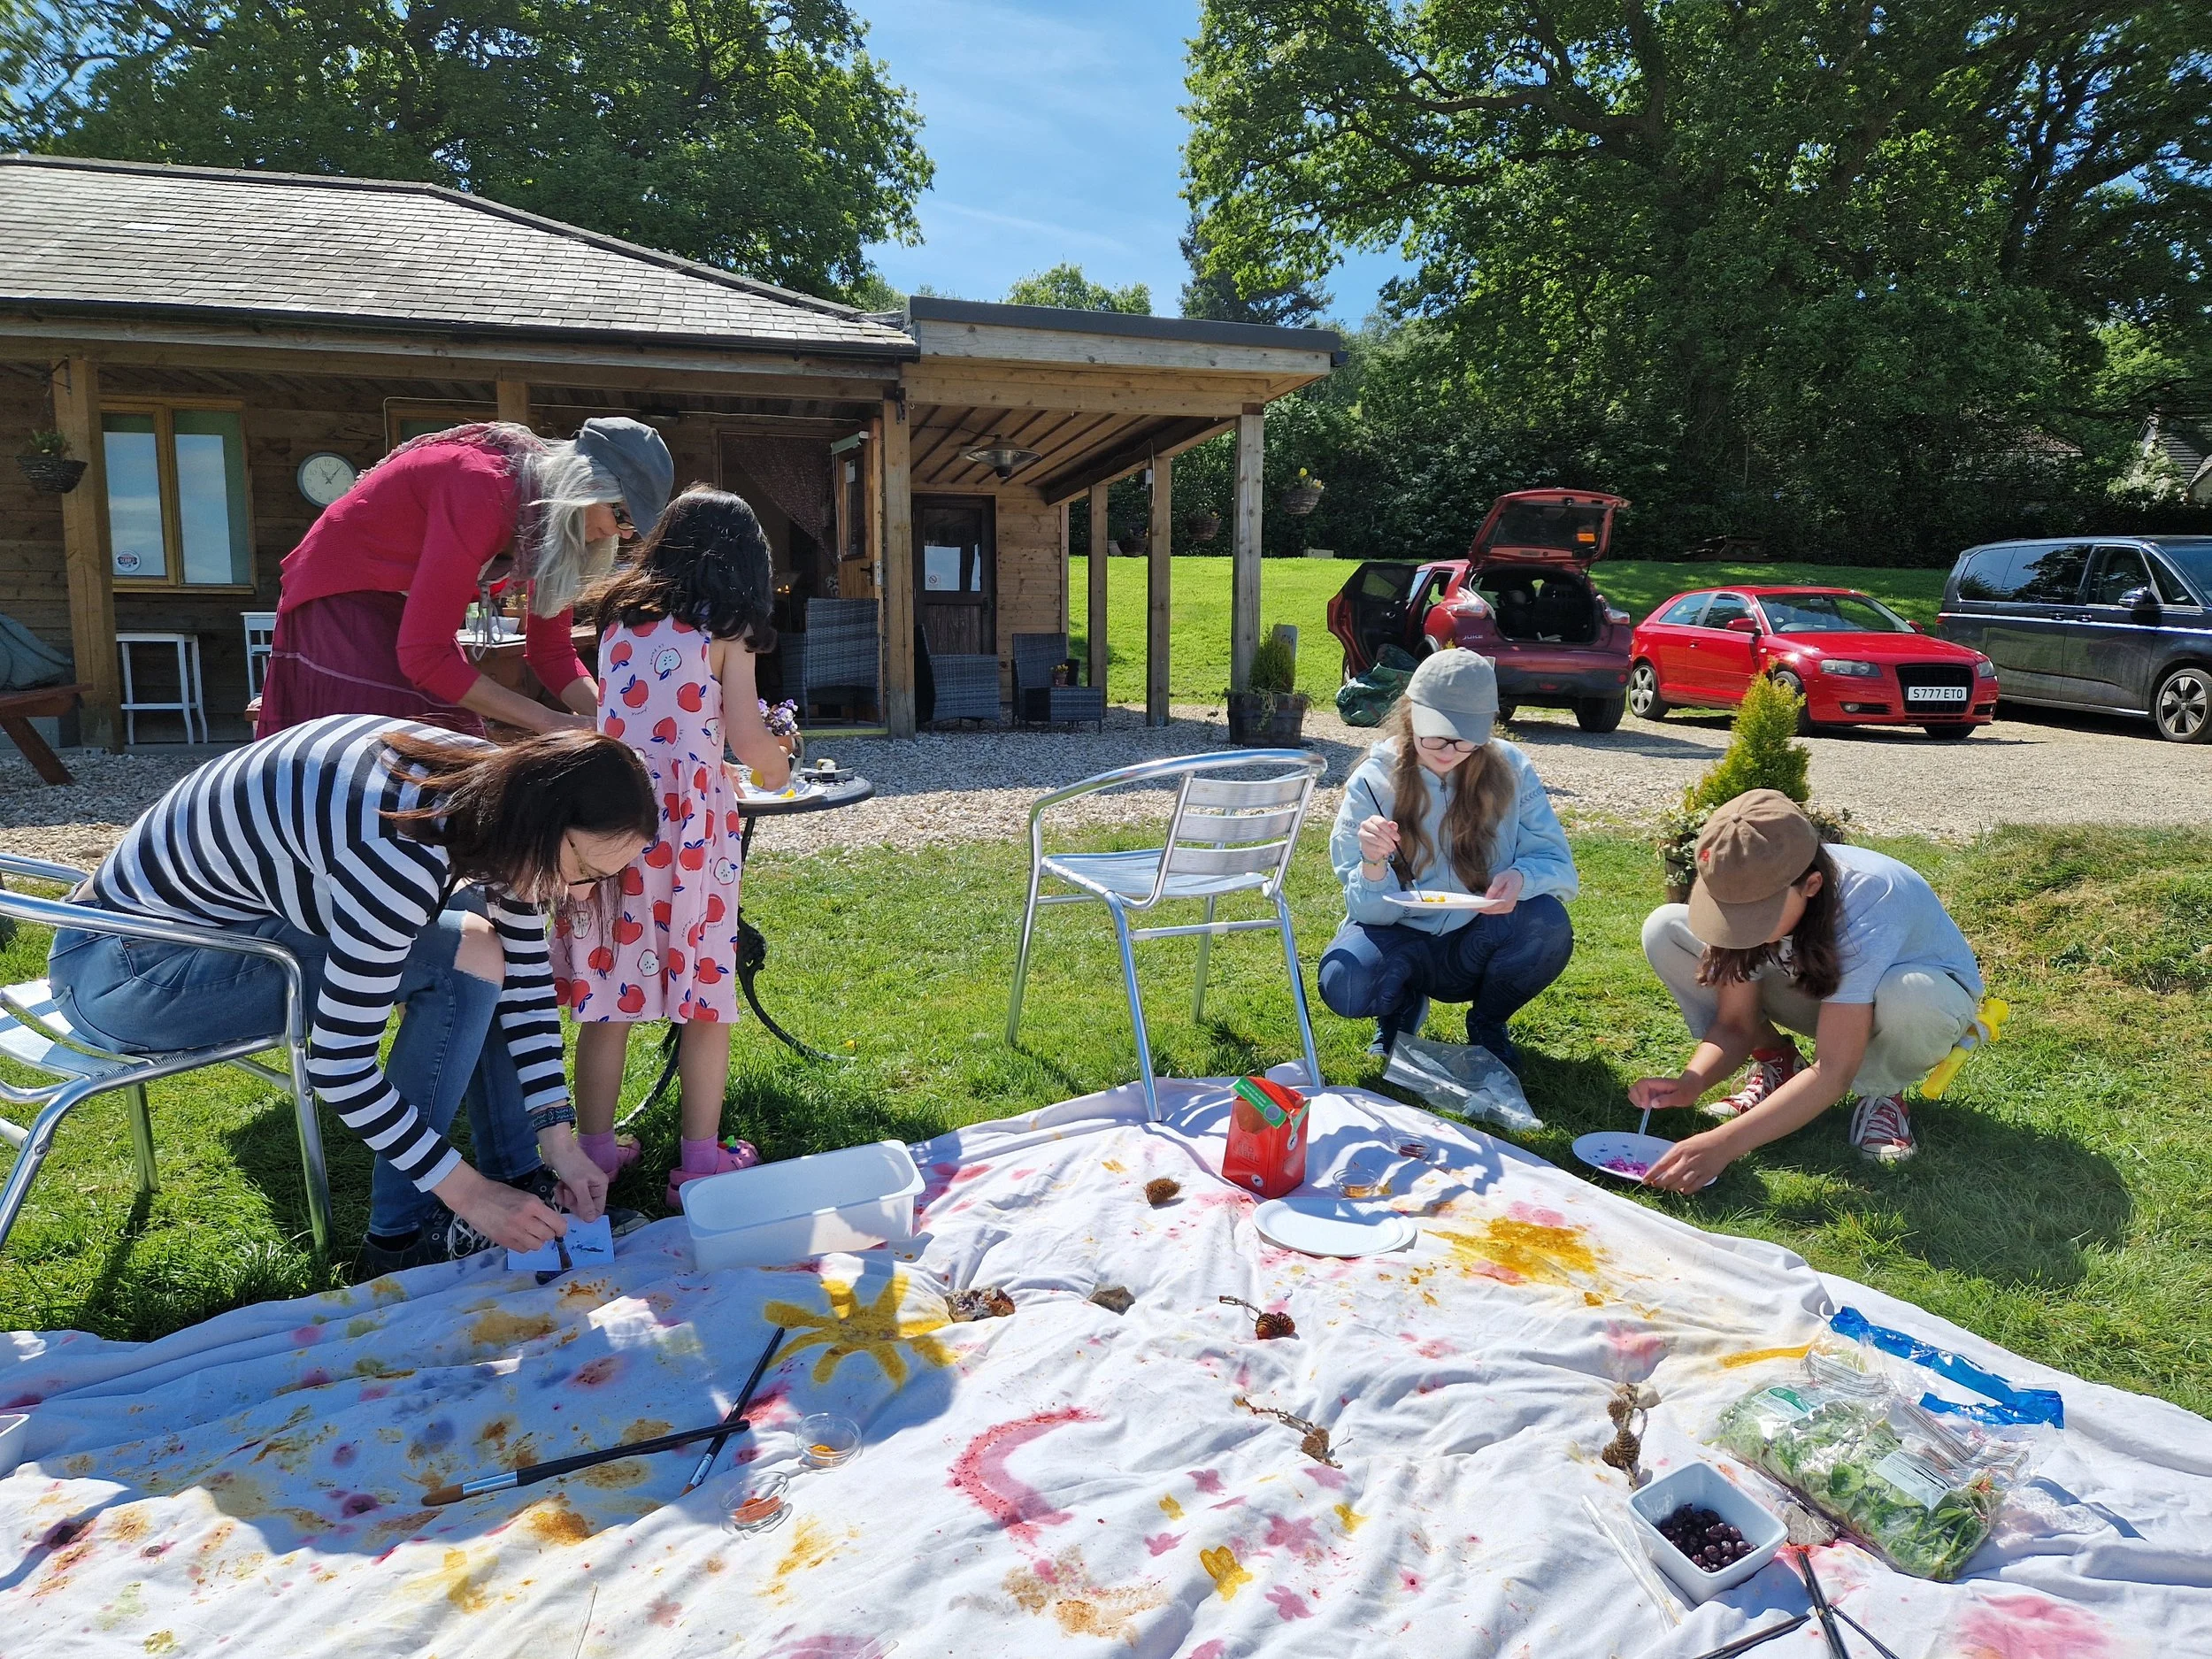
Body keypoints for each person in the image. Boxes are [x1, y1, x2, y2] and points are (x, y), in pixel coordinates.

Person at [45, 715, 659, 1274]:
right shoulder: (402, 853)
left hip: (164, 936)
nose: (581, 897)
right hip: (118, 975)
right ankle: (404, 1236)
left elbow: (525, 972)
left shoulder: (495, 789)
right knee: (465, 957)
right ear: (544, 821)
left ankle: (521, 1177)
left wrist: (560, 1138)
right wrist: (469, 1192)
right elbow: (340, 1066)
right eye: (586, 874)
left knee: (484, 940)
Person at [552, 487, 794, 1207]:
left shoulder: (621, 618)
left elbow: (629, 715)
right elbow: (748, 740)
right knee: (703, 997)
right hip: (691, 835)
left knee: (607, 995)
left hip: (611, 819)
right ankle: (699, 1161)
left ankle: (595, 1150)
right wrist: (779, 761)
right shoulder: (727, 627)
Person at [1631, 789, 1985, 1187]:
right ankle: (1780, 1067)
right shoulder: (1747, 877)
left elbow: (1834, 1069)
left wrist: (1724, 1145)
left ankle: (1882, 1091)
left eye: (1756, 914)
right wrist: (1690, 1082)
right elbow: (1735, 1024)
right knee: (1666, 928)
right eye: (1728, 912)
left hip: (1918, 1004)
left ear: (1812, 885)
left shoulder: (1871, 898)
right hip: (1824, 995)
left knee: (1913, 994)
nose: (1741, 929)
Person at [256, 417, 673, 739]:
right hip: (340, 595)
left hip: (397, 604)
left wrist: (614, 721)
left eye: (633, 527)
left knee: (449, 740)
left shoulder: (555, 526)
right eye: (620, 514)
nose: (622, 534)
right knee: (384, 754)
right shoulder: (481, 486)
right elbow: (425, 655)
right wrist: (549, 720)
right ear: (582, 488)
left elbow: (552, 653)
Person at [1320, 649, 1577, 1067]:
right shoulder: (1373, 781)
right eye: (1435, 735)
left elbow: (1557, 863)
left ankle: (1488, 1024)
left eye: (1464, 738)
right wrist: (1372, 863)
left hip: (1475, 937)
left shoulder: (1512, 769)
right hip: (1395, 933)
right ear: (1411, 715)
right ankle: (1399, 1009)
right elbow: (1367, 910)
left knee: (1547, 924)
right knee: (1345, 983)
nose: (1448, 750)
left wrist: (1522, 878)